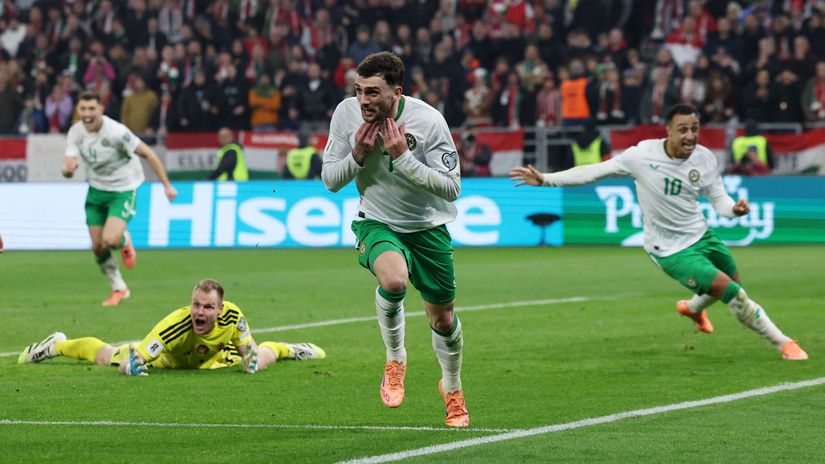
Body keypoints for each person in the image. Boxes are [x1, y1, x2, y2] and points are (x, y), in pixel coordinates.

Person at [510, 104, 808, 361]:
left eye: (694, 128)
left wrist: (735, 210)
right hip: (669, 250)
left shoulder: (704, 158)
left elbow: (719, 199)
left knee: (733, 284)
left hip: (703, 236)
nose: (690, 135)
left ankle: (692, 309)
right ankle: (785, 343)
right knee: (732, 292)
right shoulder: (641, 156)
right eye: (683, 129)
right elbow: (594, 171)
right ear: (668, 130)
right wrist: (546, 179)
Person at [322, 52, 469, 427]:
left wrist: (404, 157)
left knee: (443, 320)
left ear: (396, 91)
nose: (364, 100)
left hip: (428, 227)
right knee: (394, 280)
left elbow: (452, 188)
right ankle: (395, 359)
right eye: (358, 91)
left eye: (373, 92)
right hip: (377, 221)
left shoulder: (429, 121)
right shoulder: (346, 114)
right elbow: (330, 180)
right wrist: (355, 155)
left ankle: (451, 388)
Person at [18, 279, 326, 374]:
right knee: (106, 356)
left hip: (212, 359)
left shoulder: (234, 318)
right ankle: (56, 344)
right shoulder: (174, 326)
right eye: (196, 305)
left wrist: (250, 360)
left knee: (263, 358)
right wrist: (132, 368)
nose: (199, 312)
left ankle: (293, 349)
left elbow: (248, 351)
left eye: (207, 307)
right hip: (170, 360)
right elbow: (133, 361)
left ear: (219, 309)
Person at [62, 91, 178, 307]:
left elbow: (149, 154)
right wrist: (68, 170)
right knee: (97, 246)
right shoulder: (75, 132)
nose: (87, 114)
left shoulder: (117, 132)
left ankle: (124, 240)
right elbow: (67, 167)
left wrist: (167, 185)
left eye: (91, 109)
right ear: (78, 110)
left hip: (123, 189)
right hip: (96, 191)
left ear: (101, 110)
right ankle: (119, 288)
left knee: (110, 240)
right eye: (83, 109)